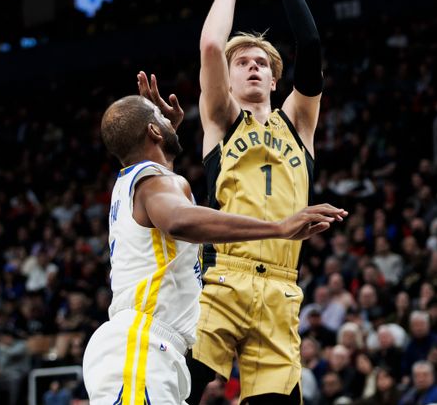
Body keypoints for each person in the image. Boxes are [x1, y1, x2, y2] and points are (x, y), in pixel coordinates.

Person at [82, 94, 345, 404]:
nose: (171, 120)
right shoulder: (154, 182)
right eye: (161, 120)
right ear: (153, 132)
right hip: (143, 344)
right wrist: (278, 228)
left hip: (154, 349)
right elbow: (179, 220)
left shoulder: (138, 183)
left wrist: (166, 131)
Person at [187, 0, 327, 405]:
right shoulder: (221, 120)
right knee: (174, 389)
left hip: (282, 293)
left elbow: (309, 44)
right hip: (223, 280)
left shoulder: (299, 124)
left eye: (260, 63)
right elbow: (209, 45)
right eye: (241, 62)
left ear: (274, 77)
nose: (250, 67)